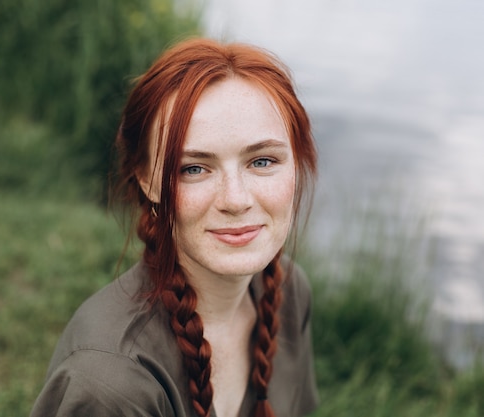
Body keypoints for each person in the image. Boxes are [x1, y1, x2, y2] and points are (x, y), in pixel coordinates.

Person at [30, 38, 319, 417]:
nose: (235, 199)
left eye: (262, 161)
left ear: (295, 164)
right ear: (147, 180)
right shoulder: (110, 384)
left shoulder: (287, 291)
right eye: (194, 169)